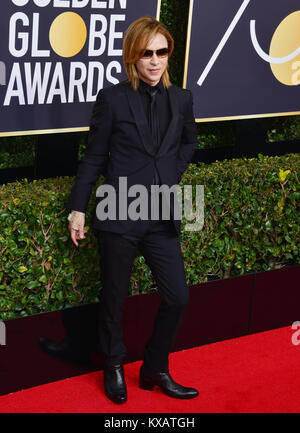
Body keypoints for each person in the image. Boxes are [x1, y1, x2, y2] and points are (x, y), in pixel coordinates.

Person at [67, 16, 199, 404]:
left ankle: (155, 366)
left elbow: (189, 143)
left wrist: (170, 172)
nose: (155, 61)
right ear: (133, 58)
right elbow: (93, 157)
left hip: (161, 214)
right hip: (118, 212)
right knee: (113, 298)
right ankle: (113, 365)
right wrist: (78, 208)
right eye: (147, 54)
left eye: (162, 52)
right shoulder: (113, 98)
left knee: (178, 297)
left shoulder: (182, 98)